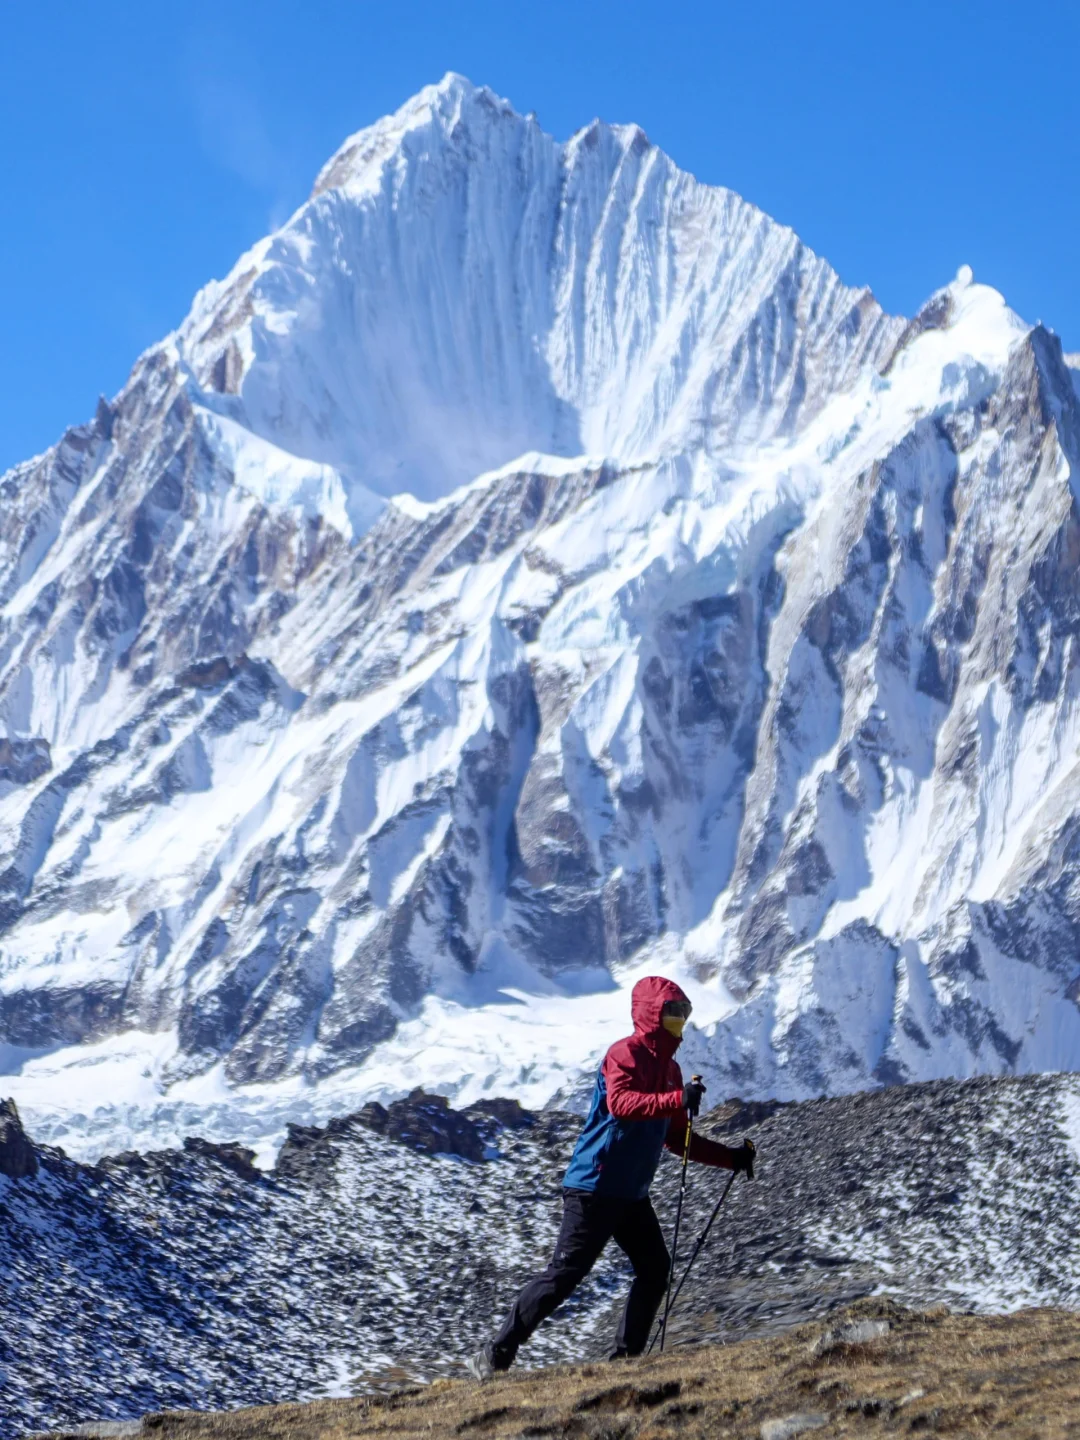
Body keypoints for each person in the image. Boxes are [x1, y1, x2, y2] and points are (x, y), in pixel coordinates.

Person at [467, 976, 754, 1378]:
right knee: (564, 1276)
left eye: (683, 1014)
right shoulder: (624, 1054)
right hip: (594, 1188)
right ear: (652, 1014)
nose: (678, 1021)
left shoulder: (671, 1069)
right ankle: (495, 1354)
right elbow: (621, 1104)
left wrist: (732, 1159)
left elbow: (675, 1138)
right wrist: (678, 1100)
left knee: (655, 1271)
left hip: (632, 1195)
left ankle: (625, 1363)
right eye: (671, 1013)